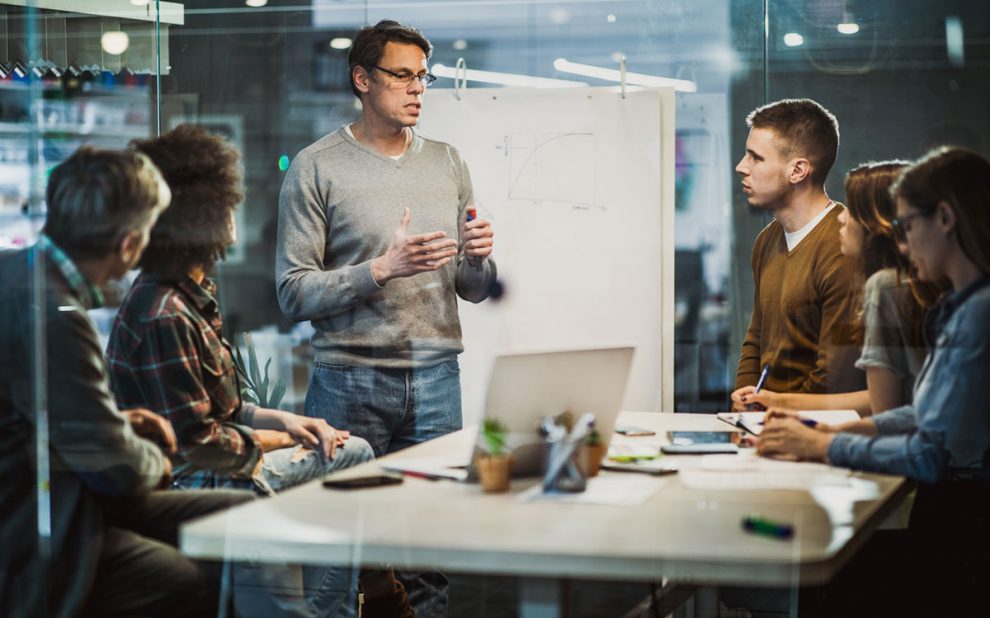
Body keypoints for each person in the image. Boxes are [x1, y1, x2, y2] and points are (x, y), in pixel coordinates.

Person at [106, 124, 375, 617]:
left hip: (215, 462)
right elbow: (201, 444)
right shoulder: (164, 310)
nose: (234, 214)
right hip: (195, 480)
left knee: (345, 449)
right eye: (227, 206)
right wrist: (288, 442)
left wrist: (291, 422)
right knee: (352, 454)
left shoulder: (189, 294)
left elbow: (223, 409)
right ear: (199, 216)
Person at [276, 20, 497, 614]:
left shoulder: (448, 162)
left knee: (428, 557)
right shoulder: (316, 166)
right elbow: (292, 292)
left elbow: (474, 290)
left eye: (423, 77)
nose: (417, 89)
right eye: (402, 75)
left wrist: (480, 257)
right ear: (362, 80)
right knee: (337, 559)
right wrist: (380, 269)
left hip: (434, 378)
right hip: (348, 381)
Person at [0, 147, 254, 617]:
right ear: (129, 245)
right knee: (183, 577)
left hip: (54, 489)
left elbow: (47, 413)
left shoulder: (18, 273)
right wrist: (156, 456)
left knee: (236, 514)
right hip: (38, 520)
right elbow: (118, 468)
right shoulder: (58, 315)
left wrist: (116, 421)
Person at [758, 146, 990, 615]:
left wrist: (823, 448)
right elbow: (924, 416)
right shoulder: (966, 307)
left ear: (944, 218)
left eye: (907, 227)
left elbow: (929, 452)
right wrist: (830, 434)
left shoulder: (978, 314)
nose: (902, 244)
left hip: (965, 522)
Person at [734, 161, 942, 415]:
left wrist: (802, 428)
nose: (841, 216)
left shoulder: (886, 287)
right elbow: (888, 401)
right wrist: (776, 403)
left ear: (877, 223)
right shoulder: (898, 286)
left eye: (853, 209)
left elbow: (886, 409)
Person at [730, 98, 865, 411]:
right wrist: (744, 402)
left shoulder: (843, 247)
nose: (741, 167)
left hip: (813, 430)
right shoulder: (767, 240)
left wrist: (773, 413)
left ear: (798, 170)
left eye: (755, 157)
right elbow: (756, 339)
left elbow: (835, 376)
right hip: (764, 424)